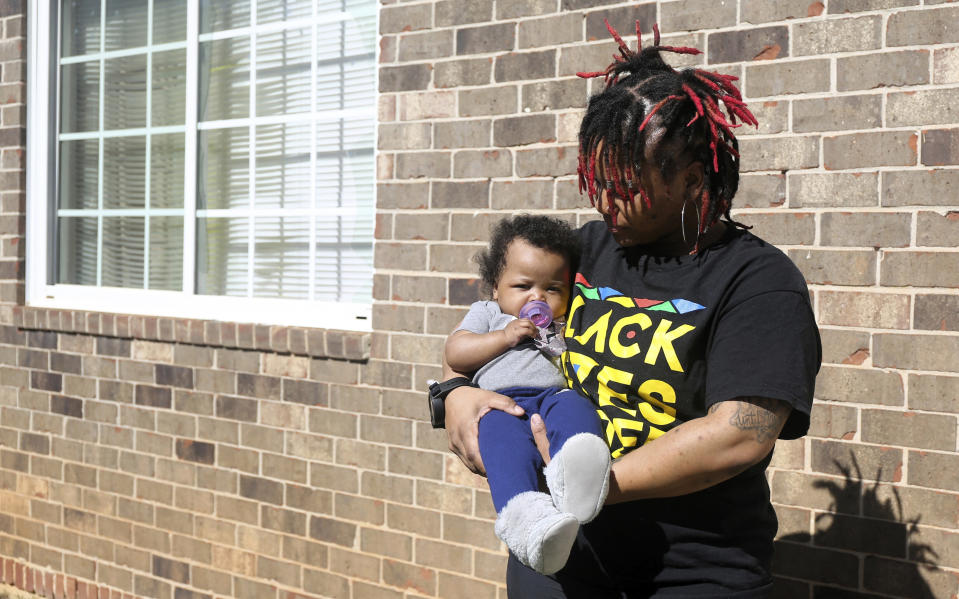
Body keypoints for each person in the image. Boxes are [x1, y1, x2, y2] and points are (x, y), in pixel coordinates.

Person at [439, 20, 821, 598]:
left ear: (692, 179)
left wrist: (591, 485)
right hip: (559, 560)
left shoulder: (758, 281)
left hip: (690, 570)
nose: (602, 199)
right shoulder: (584, 251)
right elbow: (492, 328)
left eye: (624, 183)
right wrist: (454, 397)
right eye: (597, 179)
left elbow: (738, 436)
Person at [446, 214, 611, 575]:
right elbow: (456, 352)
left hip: (553, 397)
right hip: (500, 405)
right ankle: (528, 522)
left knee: (576, 410)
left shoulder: (562, 324)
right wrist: (504, 337)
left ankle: (578, 470)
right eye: (522, 286)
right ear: (495, 287)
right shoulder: (488, 313)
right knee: (506, 452)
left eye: (552, 289)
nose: (537, 297)